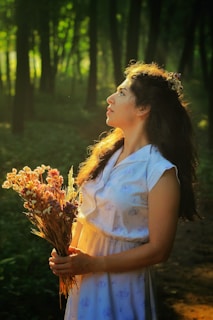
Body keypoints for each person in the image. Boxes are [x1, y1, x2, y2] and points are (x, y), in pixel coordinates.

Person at [49, 61, 198, 320]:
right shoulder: (107, 157)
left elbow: (159, 250)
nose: (110, 98)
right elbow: (87, 215)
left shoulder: (159, 171)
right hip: (84, 283)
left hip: (123, 288)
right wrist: (65, 251)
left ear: (143, 108)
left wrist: (94, 264)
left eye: (121, 93)